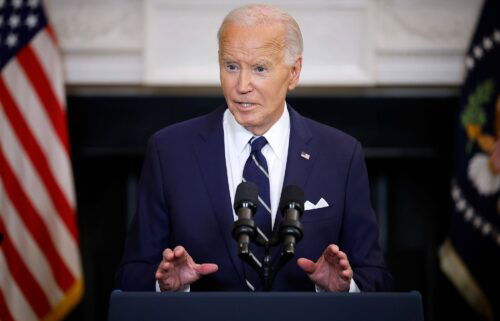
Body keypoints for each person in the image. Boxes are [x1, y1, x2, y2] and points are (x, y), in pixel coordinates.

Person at [117, 4, 392, 292]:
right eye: (231, 66)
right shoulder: (169, 151)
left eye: (259, 68)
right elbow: (131, 275)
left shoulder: (341, 155)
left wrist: (345, 288)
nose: (242, 85)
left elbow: (377, 278)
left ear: (294, 72)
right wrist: (166, 286)